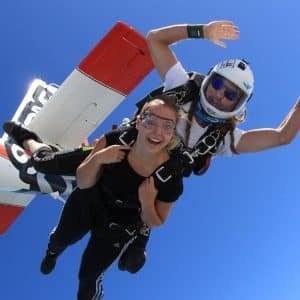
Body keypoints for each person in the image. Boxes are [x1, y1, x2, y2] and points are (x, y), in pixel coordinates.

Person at [13, 95, 183, 300]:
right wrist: (99, 159)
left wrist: (147, 202)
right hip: (91, 198)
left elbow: (156, 221)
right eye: (150, 121)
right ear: (138, 122)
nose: (157, 132)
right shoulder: (115, 139)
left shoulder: (170, 177)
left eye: (167, 126)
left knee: (89, 276)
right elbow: (83, 182)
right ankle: (26, 137)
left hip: (120, 225)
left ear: (173, 132)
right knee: (61, 237)